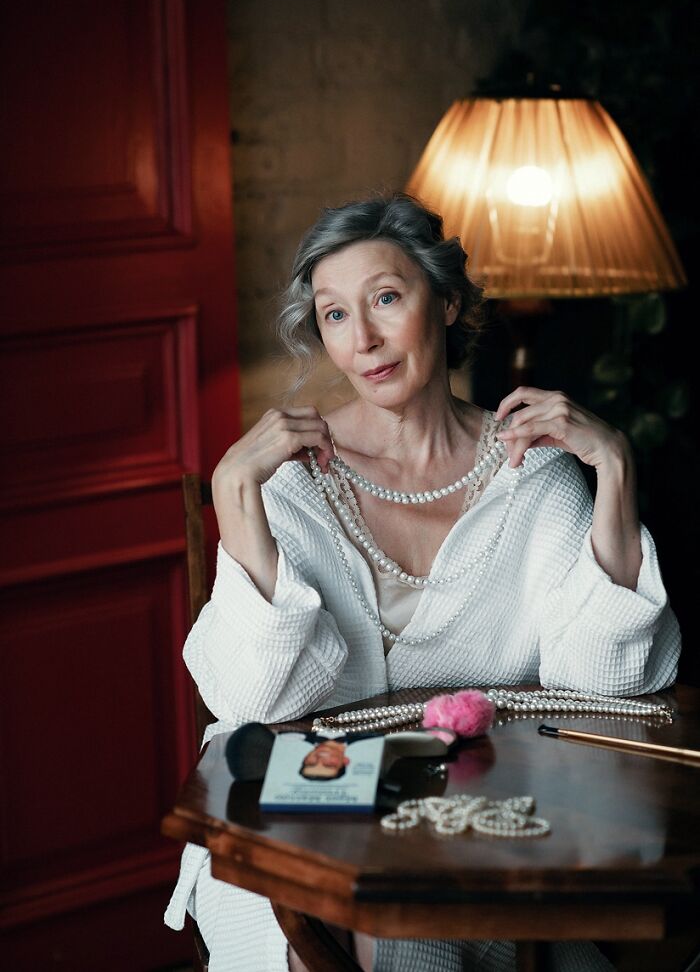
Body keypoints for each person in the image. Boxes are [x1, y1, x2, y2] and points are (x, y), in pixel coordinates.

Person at [164, 193, 680, 972]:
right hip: (298, 810)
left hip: (481, 807)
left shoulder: (532, 472)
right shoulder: (293, 483)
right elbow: (255, 704)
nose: (362, 340)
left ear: (446, 302)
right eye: (335, 314)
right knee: (339, 915)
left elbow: (608, 684)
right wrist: (236, 498)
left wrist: (614, 469)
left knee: (413, 918)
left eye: (385, 299)